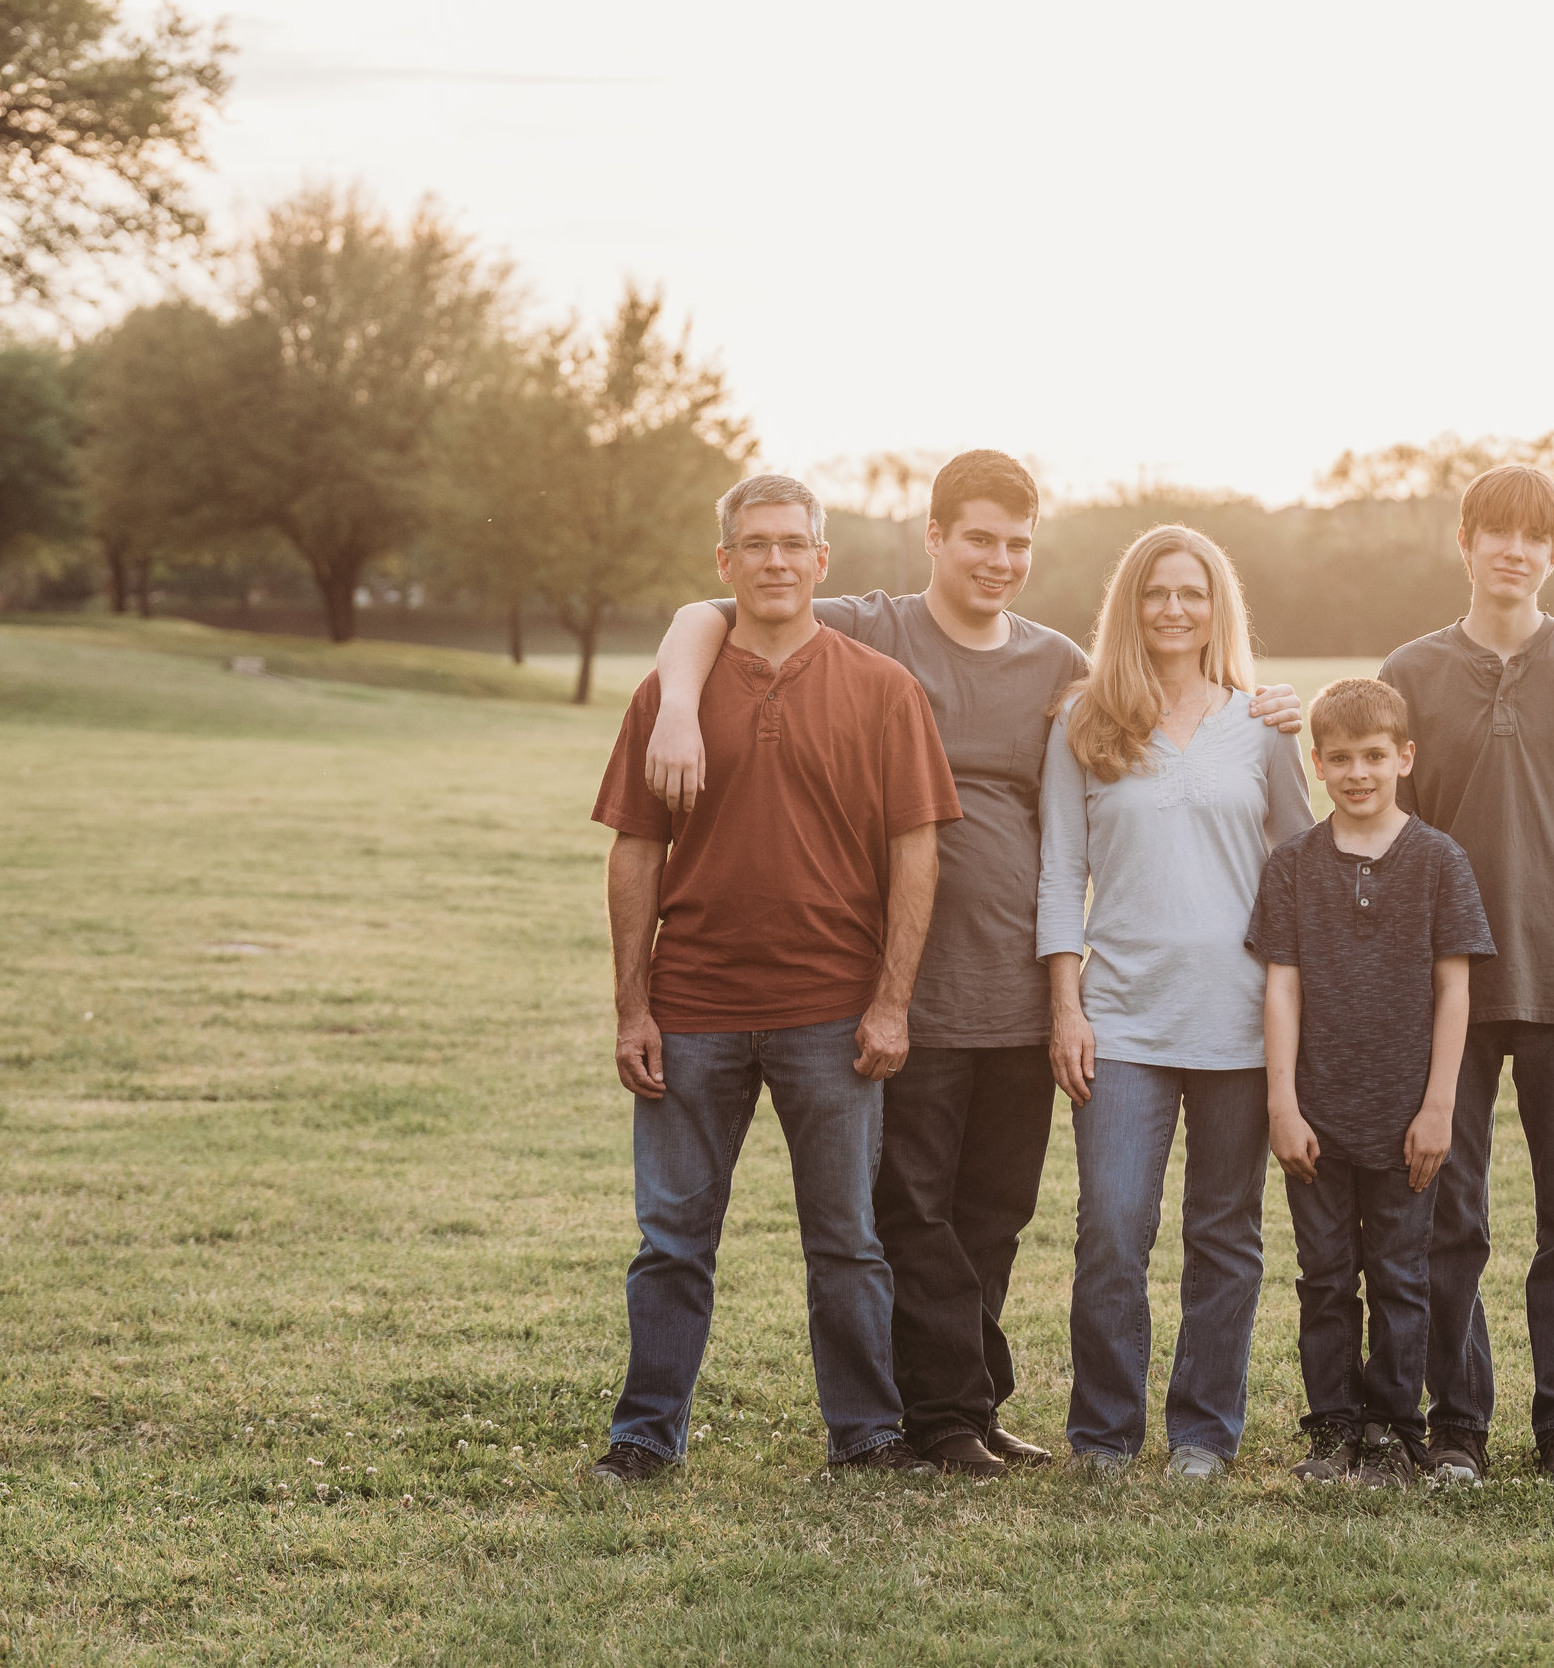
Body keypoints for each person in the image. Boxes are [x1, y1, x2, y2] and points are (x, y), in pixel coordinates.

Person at [638, 454, 1303, 1477]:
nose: (998, 559)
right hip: (902, 981)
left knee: (996, 1211)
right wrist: (678, 703)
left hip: (1021, 988)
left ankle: (971, 1403)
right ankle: (940, 1414)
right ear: (934, 537)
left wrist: (1267, 708)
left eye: (1016, 542)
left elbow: (1164, 730)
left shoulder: (1053, 669)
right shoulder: (874, 626)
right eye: (978, 537)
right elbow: (710, 610)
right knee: (915, 1207)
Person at [587, 473, 960, 1483]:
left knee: (847, 1243)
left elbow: (915, 854)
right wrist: (633, 1006)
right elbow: (634, 852)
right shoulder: (671, 694)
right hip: (693, 1010)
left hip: (830, 1016)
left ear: (822, 560)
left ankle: (867, 1435)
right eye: (754, 545)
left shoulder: (883, 690)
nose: (775, 561)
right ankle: (644, 1437)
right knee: (670, 1242)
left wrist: (891, 1000)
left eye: (793, 544)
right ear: (725, 564)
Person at [1378, 463, 1554, 1486]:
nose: (1512, 549)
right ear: (1461, 541)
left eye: (1532, 535)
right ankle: (1456, 1424)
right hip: (1444, 989)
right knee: (1446, 1213)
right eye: (1493, 531)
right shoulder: (1407, 673)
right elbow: (1378, 827)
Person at [1038, 525, 1313, 1478]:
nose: (1173, 609)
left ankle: (1202, 1432)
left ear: (1217, 607)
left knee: (1223, 1232)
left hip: (1239, 1023)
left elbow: (1299, 870)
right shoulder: (1083, 718)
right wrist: (1066, 1009)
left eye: (1192, 593)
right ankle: (1105, 1433)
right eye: (1155, 592)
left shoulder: (1262, 724)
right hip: (1121, 1018)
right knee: (1112, 1225)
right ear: (1130, 605)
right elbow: (1060, 870)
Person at [1246, 678, 1495, 1489]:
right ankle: (1332, 1427)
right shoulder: (1292, 866)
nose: (1359, 772)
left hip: (1403, 1119)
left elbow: (1455, 987)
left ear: (1405, 758)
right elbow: (1281, 985)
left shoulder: (1438, 860)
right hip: (1316, 1111)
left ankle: (1394, 1427)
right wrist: (1281, 1103)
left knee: (1399, 1274)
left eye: (1376, 756)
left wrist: (1437, 1107)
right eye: (1342, 758)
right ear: (1315, 764)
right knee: (1323, 1277)